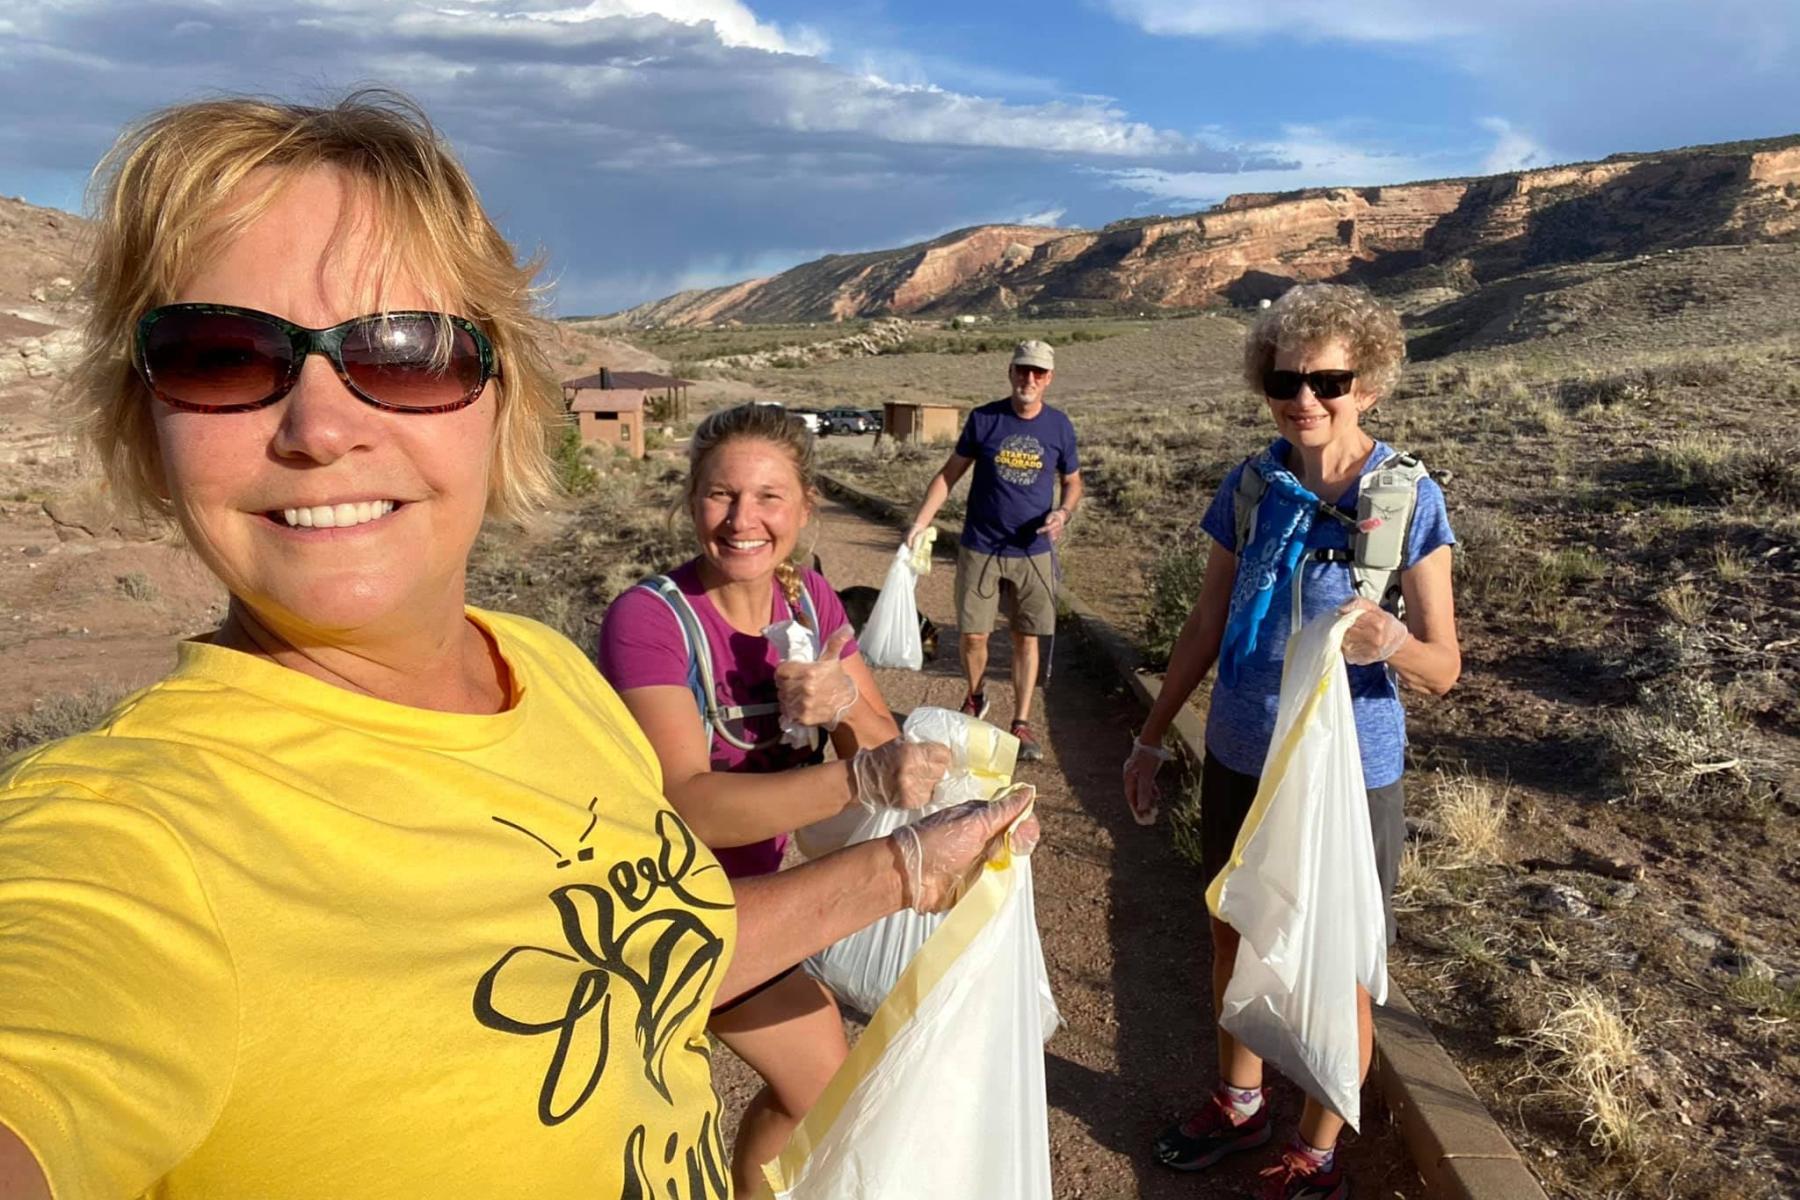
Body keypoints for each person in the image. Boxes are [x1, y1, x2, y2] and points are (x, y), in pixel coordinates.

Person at [0, 92, 1034, 1200]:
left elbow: (654, 950)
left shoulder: (541, 673)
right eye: (217, 354)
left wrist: (903, 861)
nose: (317, 427)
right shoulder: (131, 842)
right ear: (144, 423)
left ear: (501, 403)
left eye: (406, 351)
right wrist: (863, 786)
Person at [1120, 284, 1460, 1199]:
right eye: (1284, 380)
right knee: (1234, 929)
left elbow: (1444, 665)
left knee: (1341, 957)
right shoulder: (1251, 485)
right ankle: (1240, 1103)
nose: (1304, 398)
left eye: (1329, 379)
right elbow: (1205, 622)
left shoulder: (1408, 498)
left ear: (1371, 383)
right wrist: (1152, 738)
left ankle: (1317, 1148)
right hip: (1243, 746)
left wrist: (1390, 642)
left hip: (1353, 769)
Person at [595, 401, 954, 1194]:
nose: (741, 520)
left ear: (803, 507)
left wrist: (846, 708)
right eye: (722, 496)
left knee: (816, 1094)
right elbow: (688, 804)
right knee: (821, 1090)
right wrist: (852, 779)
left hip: (754, 893)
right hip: (662, 901)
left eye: (767, 498)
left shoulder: (809, 602)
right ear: (693, 500)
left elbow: (880, 737)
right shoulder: (650, 621)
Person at [906, 340, 1083, 762]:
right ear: (1010, 372)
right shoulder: (985, 419)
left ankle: (1020, 722)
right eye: (1023, 370)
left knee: (1025, 638)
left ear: (1049, 379)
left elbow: (1073, 481)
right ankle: (976, 696)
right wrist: (920, 522)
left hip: (1033, 551)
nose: (1029, 379)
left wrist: (1063, 513)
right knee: (973, 635)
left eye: (1038, 373)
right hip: (981, 546)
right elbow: (948, 475)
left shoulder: (1059, 426)